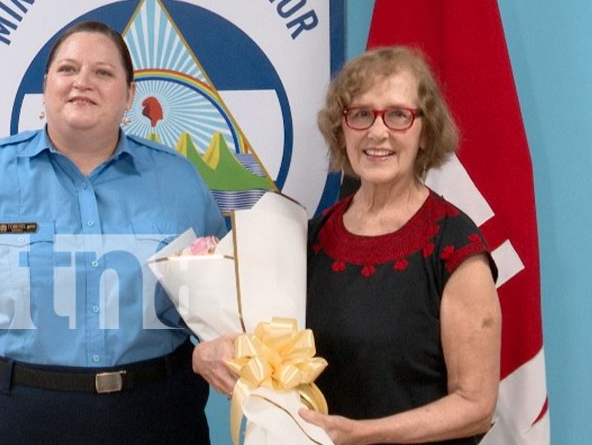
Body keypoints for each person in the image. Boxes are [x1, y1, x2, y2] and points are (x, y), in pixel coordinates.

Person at [0, 20, 225, 444]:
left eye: (103, 72)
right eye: (67, 69)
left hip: (155, 420)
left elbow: (222, 303)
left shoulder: (180, 181)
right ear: (46, 85)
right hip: (6, 423)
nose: (82, 82)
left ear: (129, 95)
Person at [194, 46, 501, 444]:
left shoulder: (455, 246)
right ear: (342, 131)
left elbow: (475, 406)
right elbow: (267, 346)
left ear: (425, 132)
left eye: (397, 115)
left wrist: (363, 435)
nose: (377, 132)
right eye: (360, 114)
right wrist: (207, 353)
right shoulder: (313, 238)